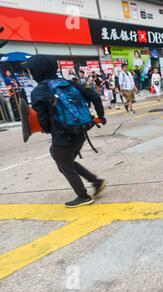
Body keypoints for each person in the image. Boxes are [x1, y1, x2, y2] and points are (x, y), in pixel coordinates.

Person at [24, 54, 107, 208]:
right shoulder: (70, 83)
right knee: (64, 160)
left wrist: (49, 129)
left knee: (64, 165)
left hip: (63, 136)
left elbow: (44, 122)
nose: (30, 73)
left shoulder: (39, 92)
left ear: (38, 71)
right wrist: (101, 116)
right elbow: (94, 96)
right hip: (80, 132)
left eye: (30, 70)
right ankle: (96, 182)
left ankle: (83, 196)